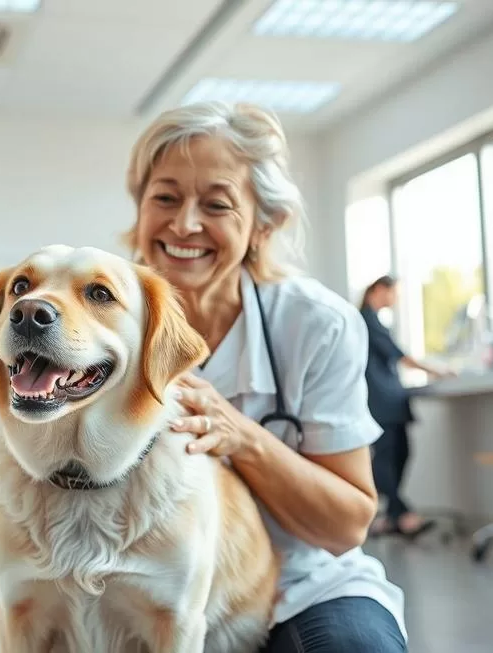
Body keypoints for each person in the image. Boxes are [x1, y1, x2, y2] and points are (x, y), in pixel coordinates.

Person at [124, 102, 407, 651]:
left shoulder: (314, 325)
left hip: (301, 585)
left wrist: (244, 437)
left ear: (262, 224)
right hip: (148, 591)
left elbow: (347, 526)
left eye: (217, 204)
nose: (184, 224)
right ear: (140, 207)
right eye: (165, 197)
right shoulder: (104, 326)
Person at [359, 275, 451, 539]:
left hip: (393, 398)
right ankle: (404, 513)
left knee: (402, 453)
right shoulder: (366, 320)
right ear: (378, 289)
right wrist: (434, 370)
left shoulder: (376, 321)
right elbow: (397, 354)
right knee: (385, 458)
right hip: (380, 400)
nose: (396, 299)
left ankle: (391, 517)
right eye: (394, 293)